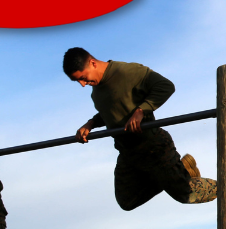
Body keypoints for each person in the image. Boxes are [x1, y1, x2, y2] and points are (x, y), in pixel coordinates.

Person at [63, 48, 216, 211]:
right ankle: (180, 170)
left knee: (186, 193)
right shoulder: (96, 92)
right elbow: (111, 110)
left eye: (83, 78)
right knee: (127, 200)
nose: (82, 84)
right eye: (78, 81)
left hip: (152, 146)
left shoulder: (127, 72)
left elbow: (165, 86)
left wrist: (141, 110)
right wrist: (90, 124)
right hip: (128, 153)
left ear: (92, 63)